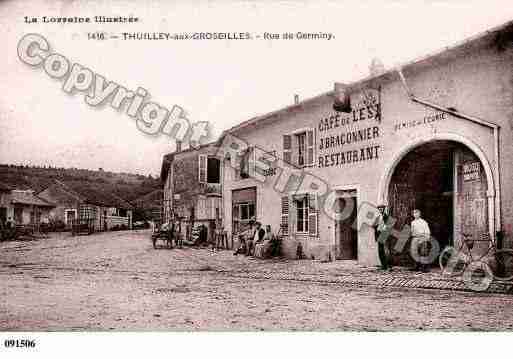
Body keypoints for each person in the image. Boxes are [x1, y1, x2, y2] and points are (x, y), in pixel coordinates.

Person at [374, 205, 392, 270]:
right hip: (379, 234)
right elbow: (374, 225)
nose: (380, 210)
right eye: (379, 209)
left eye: (381, 209)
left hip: (384, 234)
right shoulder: (378, 217)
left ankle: (388, 265)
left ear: (384, 209)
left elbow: (390, 226)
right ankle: (383, 265)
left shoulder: (387, 217)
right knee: (380, 250)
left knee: (386, 250)